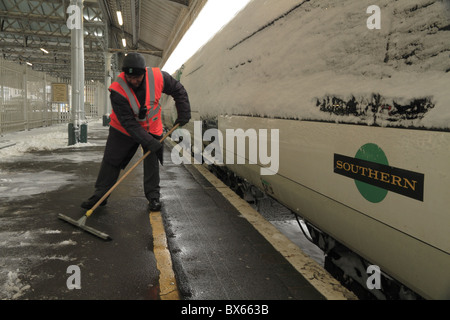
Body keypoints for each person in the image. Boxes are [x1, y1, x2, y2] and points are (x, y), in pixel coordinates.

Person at [81, 52, 190, 212]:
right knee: (112, 160)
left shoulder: (158, 77)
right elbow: (129, 123)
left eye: (137, 77)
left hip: (152, 127)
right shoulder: (117, 90)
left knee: (151, 160)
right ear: (125, 74)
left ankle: (153, 197)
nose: (133, 81)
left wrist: (184, 112)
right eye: (130, 78)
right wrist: (148, 141)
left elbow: (178, 90)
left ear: (144, 73)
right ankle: (100, 196)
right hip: (123, 129)